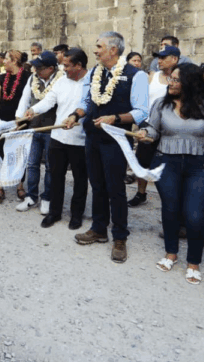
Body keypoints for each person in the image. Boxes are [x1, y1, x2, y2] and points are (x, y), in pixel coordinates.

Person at [136, 63, 204, 285]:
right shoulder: (161, 104)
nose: (171, 83)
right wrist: (145, 134)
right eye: (171, 79)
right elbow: (154, 130)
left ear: (190, 82)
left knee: (195, 215)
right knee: (170, 209)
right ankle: (171, 253)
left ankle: (193, 262)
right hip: (166, 161)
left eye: (176, 80)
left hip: (201, 165)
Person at [63, 31, 149, 264]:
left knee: (115, 189)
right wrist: (75, 116)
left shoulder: (136, 76)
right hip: (92, 137)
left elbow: (142, 111)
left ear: (113, 49)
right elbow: (86, 102)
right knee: (97, 185)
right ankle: (99, 228)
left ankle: (120, 237)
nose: (95, 50)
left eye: (99, 46)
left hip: (116, 140)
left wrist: (116, 118)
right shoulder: (93, 72)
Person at [24, 48, 89, 229]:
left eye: (67, 66)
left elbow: (90, 106)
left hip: (80, 140)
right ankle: (54, 212)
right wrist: (34, 110)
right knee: (55, 176)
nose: (64, 69)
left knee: (80, 179)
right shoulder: (61, 82)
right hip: (58, 138)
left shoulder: (91, 82)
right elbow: (49, 101)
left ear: (79, 65)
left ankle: (76, 215)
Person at [128, 44, 179, 207]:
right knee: (142, 161)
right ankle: (141, 193)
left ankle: (171, 199)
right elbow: (141, 100)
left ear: (175, 59)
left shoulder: (181, 79)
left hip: (171, 130)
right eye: (158, 57)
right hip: (149, 126)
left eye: (163, 57)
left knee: (168, 166)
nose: (159, 60)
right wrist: (142, 121)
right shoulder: (152, 76)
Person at [16, 51, 63, 214]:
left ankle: (47, 198)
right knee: (32, 164)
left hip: (52, 130)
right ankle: (31, 197)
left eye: (39, 68)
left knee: (50, 166)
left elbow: (51, 102)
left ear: (51, 68)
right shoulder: (32, 78)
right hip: (34, 128)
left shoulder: (61, 79)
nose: (35, 71)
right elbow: (24, 99)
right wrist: (19, 118)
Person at [0, 50, 30, 205]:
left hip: (20, 122)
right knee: (1, 153)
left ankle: (20, 185)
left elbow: (28, 101)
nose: (2, 62)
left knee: (19, 154)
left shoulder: (27, 77)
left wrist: (22, 120)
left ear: (14, 60)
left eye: (5, 59)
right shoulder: (2, 77)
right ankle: (0, 187)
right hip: (2, 122)